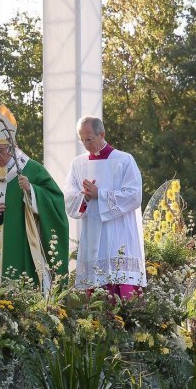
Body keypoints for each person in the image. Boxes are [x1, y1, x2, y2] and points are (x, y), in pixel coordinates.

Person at [0, 106, 68, 293]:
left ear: (12, 147)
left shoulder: (32, 169)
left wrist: (32, 192)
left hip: (23, 246)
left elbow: (56, 202)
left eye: (0, 150)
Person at [63, 116, 146, 298]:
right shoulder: (78, 164)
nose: (85, 144)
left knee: (120, 287)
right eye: (82, 139)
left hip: (119, 233)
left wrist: (99, 194)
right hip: (92, 232)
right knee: (95, 293)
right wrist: (84, 198)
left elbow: (134, 195)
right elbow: (69, 197)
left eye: (89, 139)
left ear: (102, 134)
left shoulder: (124, 160)